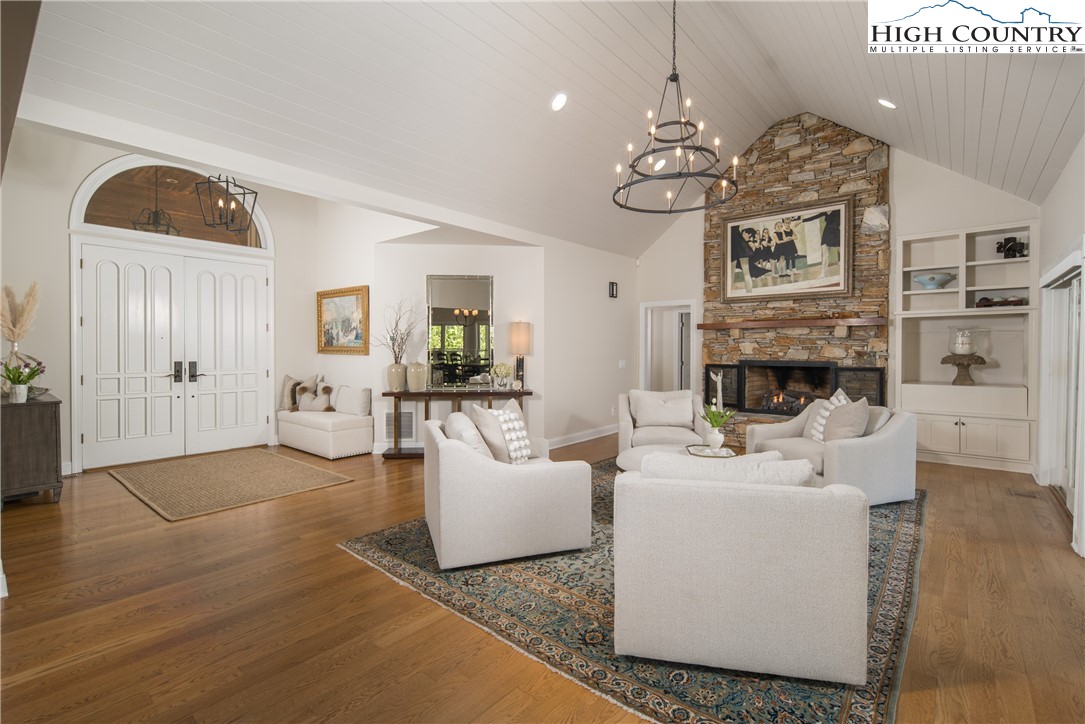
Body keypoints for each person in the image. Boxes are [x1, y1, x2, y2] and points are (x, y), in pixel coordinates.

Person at [803, 209, 841, 274]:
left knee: (842, 251)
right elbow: (814, 217)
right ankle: (823, 273)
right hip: (826, 232)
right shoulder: (825, 212)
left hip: (836, 232)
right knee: (825, 255)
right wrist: (802, 220)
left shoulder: (838, 211)